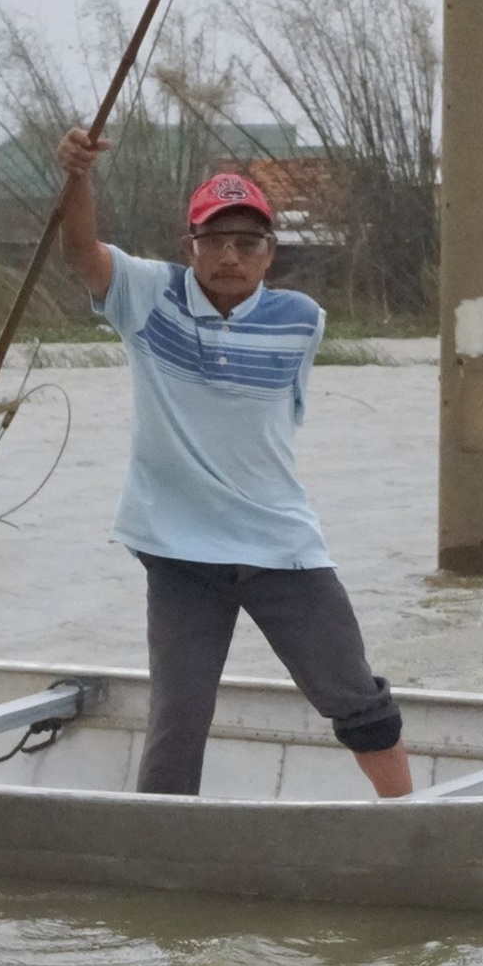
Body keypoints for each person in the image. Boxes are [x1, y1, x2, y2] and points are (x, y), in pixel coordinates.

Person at [54, 127, 413, 799]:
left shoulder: (301, 319)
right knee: (179, 715)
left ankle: (413, 821)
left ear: (269, 254)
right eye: (213, 241)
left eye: (247, 243)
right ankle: (159, 842)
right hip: (179, 550)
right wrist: (77, 175)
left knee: (356, 696)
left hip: (281, 545)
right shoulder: (147, 296)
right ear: (190, 247)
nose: (229, 255)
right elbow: (82, 253)